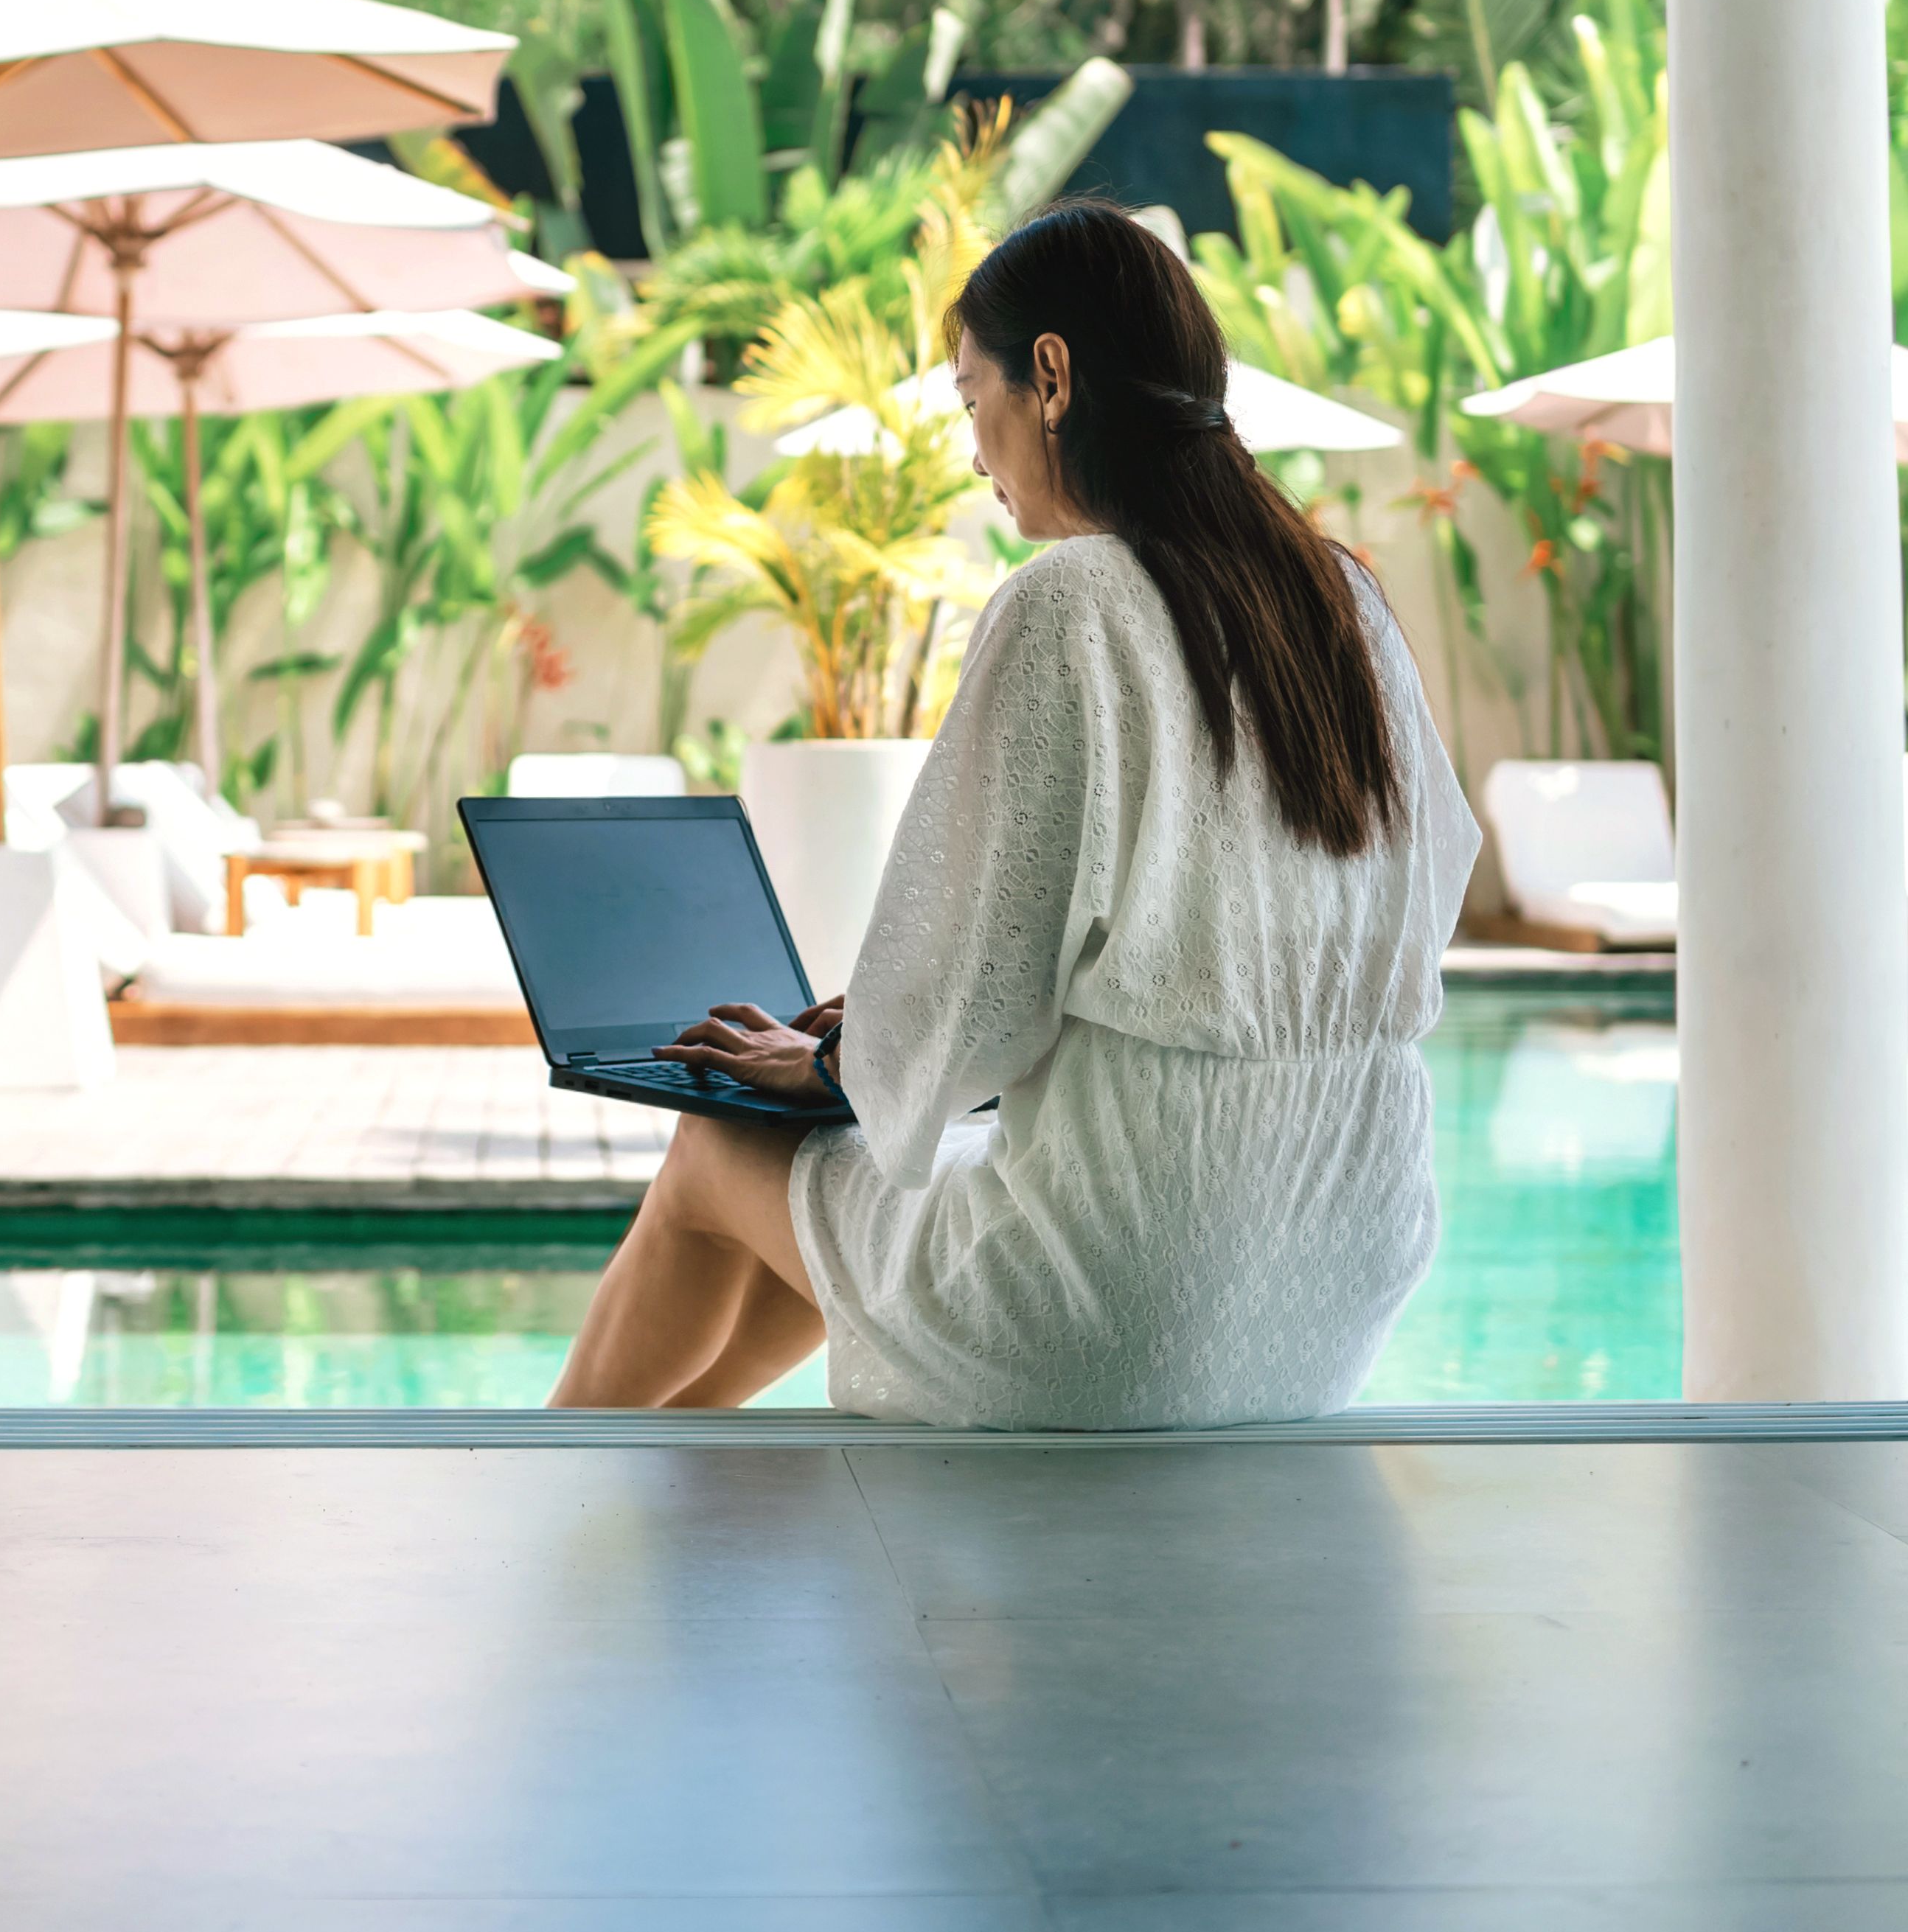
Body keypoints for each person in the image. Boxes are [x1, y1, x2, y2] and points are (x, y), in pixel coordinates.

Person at [545, 199, 1480, 1425]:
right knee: (867, 1173)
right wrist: (869, 1050)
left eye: (967, 395)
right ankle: (667, 1440)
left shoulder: (1070, 604)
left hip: (1121, 1303)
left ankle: (545, 1456)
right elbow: (1416, 898)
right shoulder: (1341, 599)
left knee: (718, 1151)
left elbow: (969, 997)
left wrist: (836, 1055)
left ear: (1050, 377)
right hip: (1335, 1273)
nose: (973, 447)